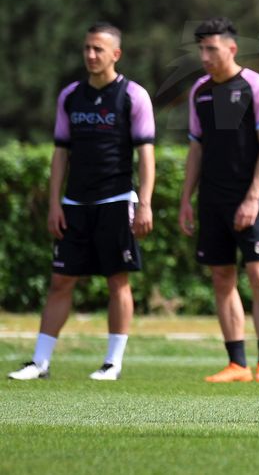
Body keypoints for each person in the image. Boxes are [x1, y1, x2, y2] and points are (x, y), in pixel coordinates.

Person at [9, 22, 155, 382]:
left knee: (117, 280)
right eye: (87, 48)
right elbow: (60, 153)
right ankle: (39, 362)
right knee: (61, 281)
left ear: (115, 55)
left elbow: (146, 154)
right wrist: (56, 203)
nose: (91, 55)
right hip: (75, 203)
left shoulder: (133, 96)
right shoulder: (70, 97)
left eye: (98, 50)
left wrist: (146, 203)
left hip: (117, 199)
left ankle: (112, 363)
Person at [179, 17, 259, 384]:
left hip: (248, 197)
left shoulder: (256, 87)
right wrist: (186, 200)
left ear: (232, 49)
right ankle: (237, 363)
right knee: (222, 277)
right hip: (212, 200)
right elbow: (196, 149)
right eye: (201, 49)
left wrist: (252, 198)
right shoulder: (200, 92)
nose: (205, 56)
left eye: (212, 49)